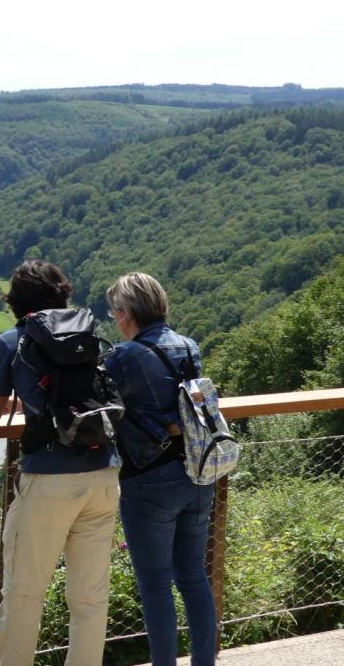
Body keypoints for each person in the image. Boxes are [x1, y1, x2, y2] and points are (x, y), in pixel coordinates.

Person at [0, 259, 119, 666]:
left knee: (24, 594)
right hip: (102, 472)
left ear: (14, 302)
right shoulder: (85, 334)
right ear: (62, 294)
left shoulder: (10, 342)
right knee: (89, 597)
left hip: (49, 480)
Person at [104, 272, 216, 666]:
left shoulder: (123, 356)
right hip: (198, 472)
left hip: (149, 479)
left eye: (116, 310)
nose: (116, 318)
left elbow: (94, 402)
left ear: (125, 312)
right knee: (194, 578)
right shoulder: (189, 346)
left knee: (155, 585)